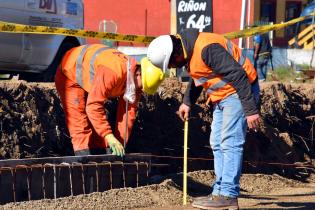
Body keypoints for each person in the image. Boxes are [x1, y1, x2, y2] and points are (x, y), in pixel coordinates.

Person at [147, 29, 261, 210]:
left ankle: (228, 195)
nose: (172, 68)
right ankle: (219, 193)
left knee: (230, 142)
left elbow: (238, 75)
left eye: (170, 64)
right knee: (217, 142)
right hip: (222, 96)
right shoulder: (190, 52)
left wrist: (250, 110)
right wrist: (187, 102)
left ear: (176, 53)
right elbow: (199, 76)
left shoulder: (207, 48)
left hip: (239, 92)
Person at [55, 44, 164, 156]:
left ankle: (103, 164)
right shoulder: (113, 71)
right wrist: (109, 135)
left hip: (92, 76)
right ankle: (84, 163)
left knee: (99, 132)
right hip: (70, 73)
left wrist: (120, 143)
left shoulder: (135, 80)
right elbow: (93, 106)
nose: (140, 90)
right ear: (138, 74)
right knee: (80, 125)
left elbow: (127, 114)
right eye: (142, 86)